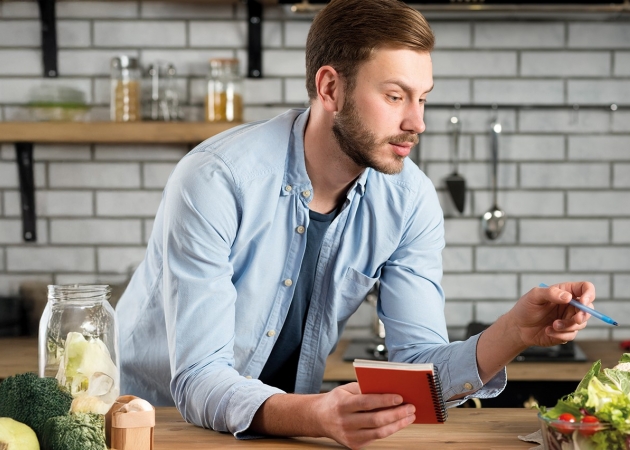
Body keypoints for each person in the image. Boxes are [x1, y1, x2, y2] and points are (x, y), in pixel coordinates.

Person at [115, 0, 595, 448]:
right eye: (394, 96)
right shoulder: (217, 180)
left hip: (286, 432)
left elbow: (416, 369)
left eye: (422, 98)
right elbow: (199, 377)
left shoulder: (410, 200)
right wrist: (317, 417)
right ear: (330, 89)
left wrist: (514, 332)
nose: (417, 122)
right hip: (159, 426)